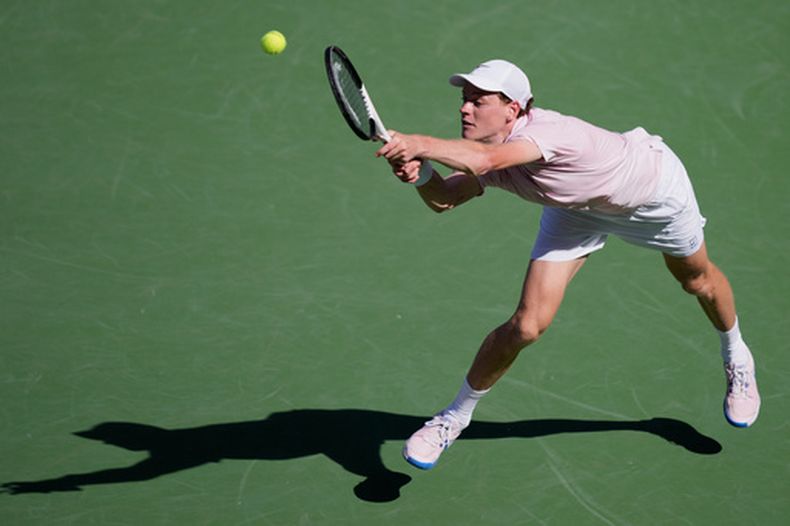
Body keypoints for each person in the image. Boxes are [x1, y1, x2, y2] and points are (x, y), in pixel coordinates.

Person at [375, 59, 761, 470]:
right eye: (464, 99)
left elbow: (484, 162)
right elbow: (445, 199)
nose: (464, 108)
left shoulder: (547, 135)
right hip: (576, 210)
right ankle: (453, 418)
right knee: (526, 326)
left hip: (653, 197)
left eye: (478, 101)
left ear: (513, 109)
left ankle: (737, 355)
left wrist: (418, 143)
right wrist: (419, 174)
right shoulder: (489, 153)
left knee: (696, 281)